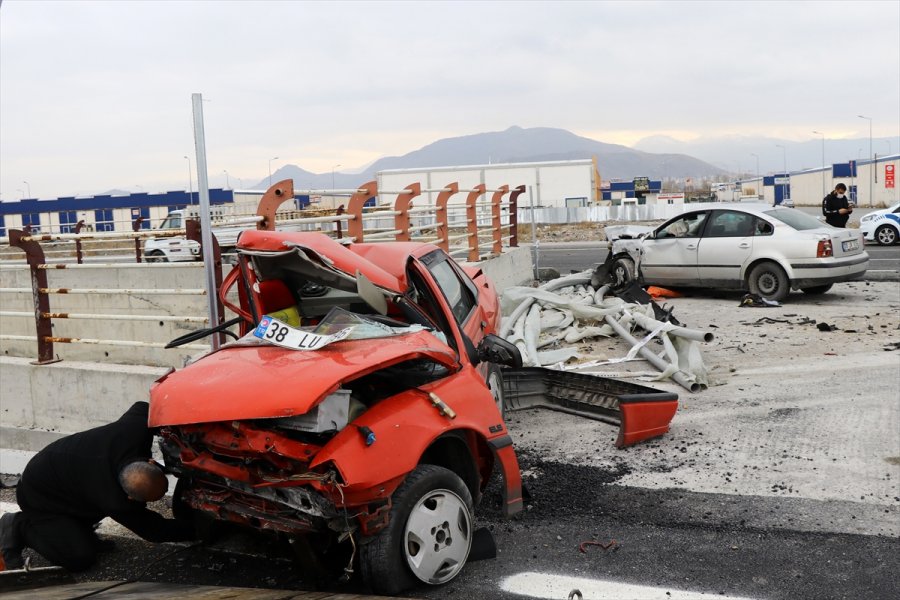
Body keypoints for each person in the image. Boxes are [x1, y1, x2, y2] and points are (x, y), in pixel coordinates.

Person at [0, 402, 193, 571]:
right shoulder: (115, 501)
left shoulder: (132, 430)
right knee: (79, 558)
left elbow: (149, 407)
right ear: (130, 497)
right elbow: (157, 531)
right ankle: (18, 525)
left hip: (69, 477)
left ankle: (78, 528)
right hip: (39, 497)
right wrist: (201, 529)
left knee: (86, 507)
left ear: (151, 463)